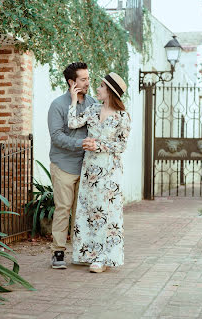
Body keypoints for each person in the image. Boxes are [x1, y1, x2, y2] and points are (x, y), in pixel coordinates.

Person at [68, 72, 131, 273]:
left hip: (111, 170)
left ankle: (104, 258)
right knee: (89, 210)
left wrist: (99, 145)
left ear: (110, 91)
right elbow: (72, 123)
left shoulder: (123, 116)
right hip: (90, 169)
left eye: (102, 86)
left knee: (108, 212)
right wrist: (72, 99)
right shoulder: (92, 109)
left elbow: (121, 146)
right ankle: (88, 253)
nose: (98, 89)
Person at [47, 62, 98, 269]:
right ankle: (58, 252)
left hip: (86, 167)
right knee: (63, 209)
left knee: (81, 211)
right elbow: (57, 136)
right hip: (63, 165)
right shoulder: (58, 105)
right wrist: (81, 143)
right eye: (83, 79)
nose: (88, 82)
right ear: (72, 82)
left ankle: (80, 251)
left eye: (88, 78)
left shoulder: (93, 103)